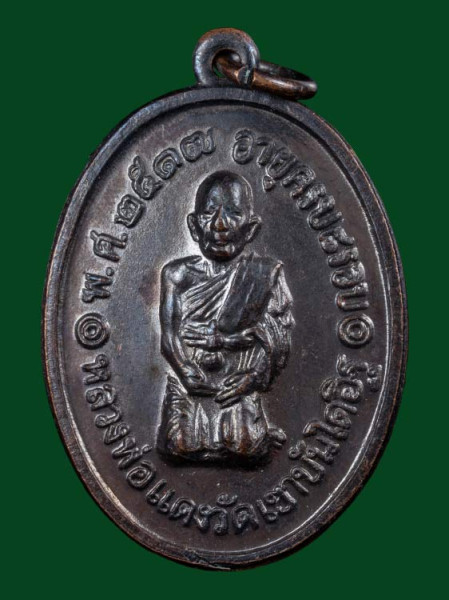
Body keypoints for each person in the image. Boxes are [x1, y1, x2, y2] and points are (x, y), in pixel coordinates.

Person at [157, 171, 294, 463]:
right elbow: (169, 336)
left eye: (233, 213)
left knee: (246, 447)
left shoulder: (264, 274)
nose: (220, 224)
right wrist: (184, 369)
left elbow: (278, 339)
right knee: (180, 445)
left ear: (251, 229)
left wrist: (252, 379)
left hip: (238, 385)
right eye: (209, 213)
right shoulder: (177, 275)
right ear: (194, 227)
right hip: (190, 384)